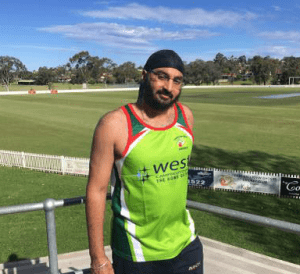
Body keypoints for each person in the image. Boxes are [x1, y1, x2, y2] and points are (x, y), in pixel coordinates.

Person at [86, 49, 203, 274]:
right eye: (161, 76)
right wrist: (98, 258)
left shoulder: (185, 116)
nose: (169, 87)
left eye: (177, 81)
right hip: (135, 252)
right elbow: (96, 191)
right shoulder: (114, 124)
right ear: (144, 75)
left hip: (186, 244)